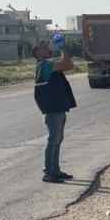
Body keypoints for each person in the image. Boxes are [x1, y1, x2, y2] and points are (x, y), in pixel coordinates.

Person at [34, 35, 77, 183]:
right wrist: (63, 48)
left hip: (57, 107)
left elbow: (69, 65)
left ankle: (55, 170)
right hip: (53, 109)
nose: (47, 48)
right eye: (43, 47)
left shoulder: (48, 64)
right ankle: (49, 173)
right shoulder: (44, 65)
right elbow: (66, 64)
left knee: (57, 139)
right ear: (38, 53)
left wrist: (62, 49)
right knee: (54, 139)